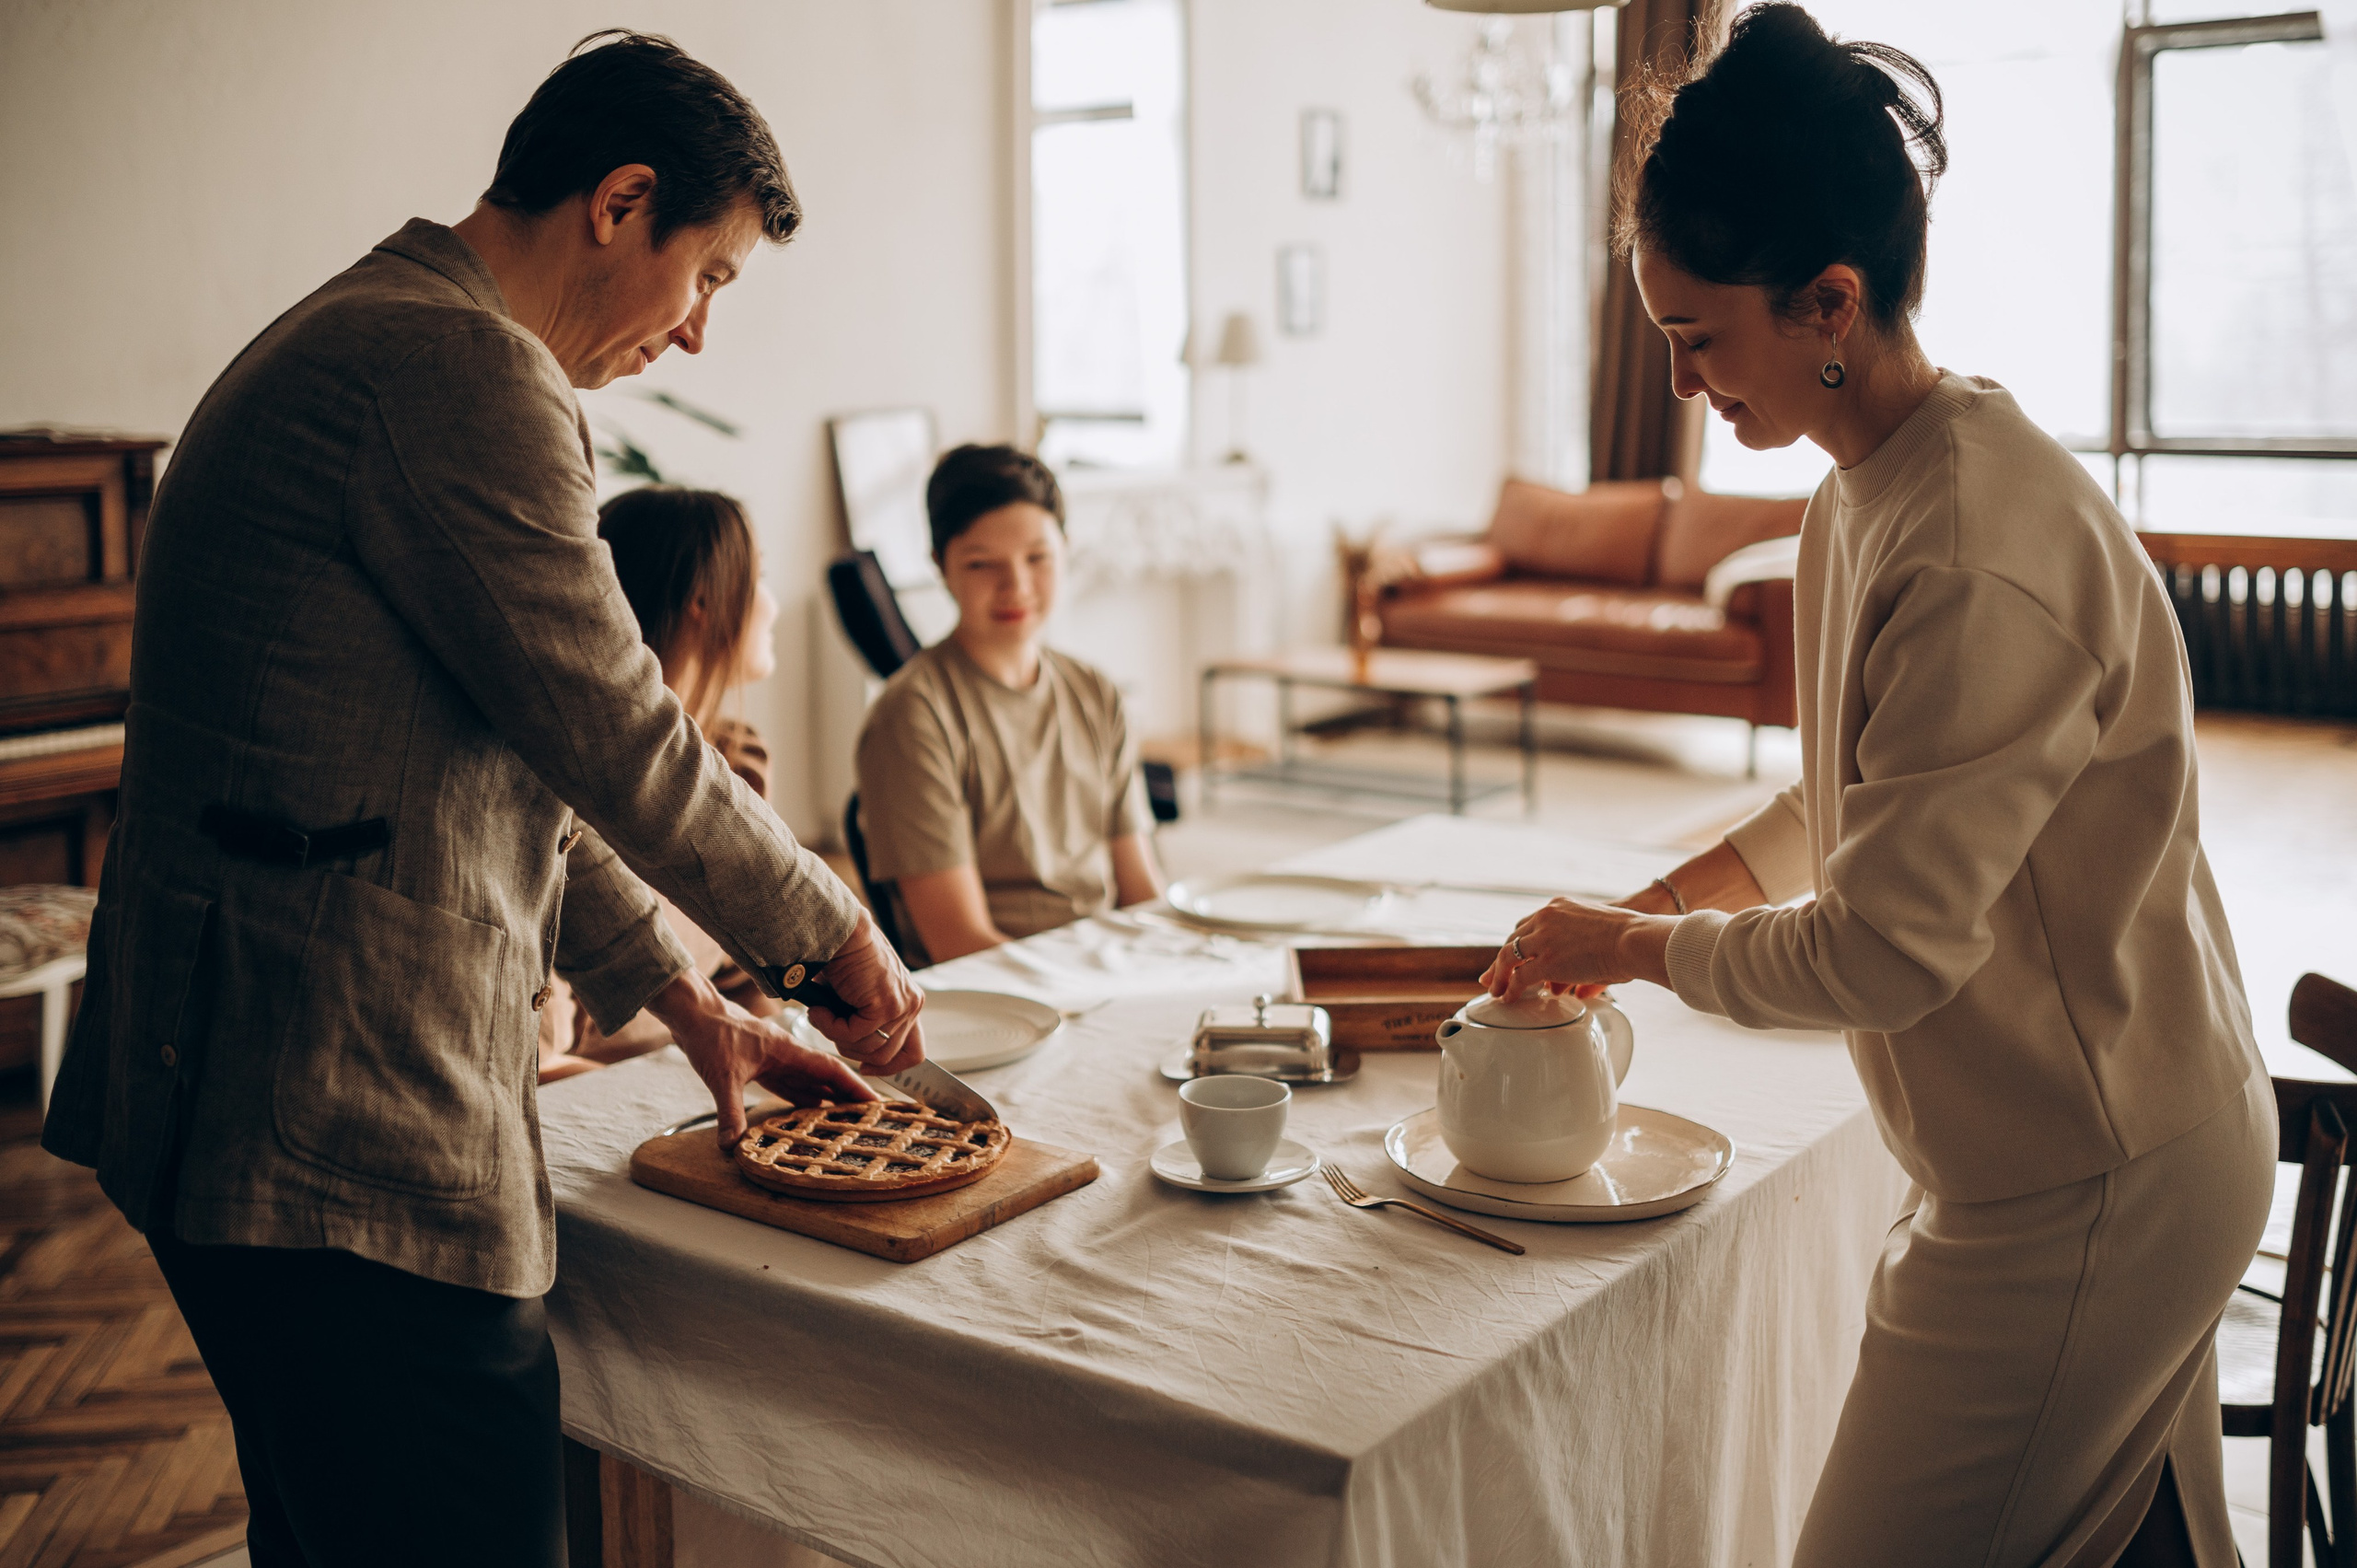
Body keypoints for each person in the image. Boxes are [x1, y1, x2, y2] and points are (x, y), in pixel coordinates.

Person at [41, 32, 925, 1568]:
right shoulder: (458, 365)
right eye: (707, 275)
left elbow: (491, 748)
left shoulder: (368, 330)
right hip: (330, 1112)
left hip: (229, 1075)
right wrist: (830, 934)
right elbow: (617, 729)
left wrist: (687, 999)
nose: (699, 335)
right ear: (619, 201)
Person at [1480, 8, 2270, 1565]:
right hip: (2072, 1141)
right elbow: (1853, 811)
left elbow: (1882, 946)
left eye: (1701, 337)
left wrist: (1630, 951)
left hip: (2097, 1169)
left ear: (1829, 301)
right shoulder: (1867, 487)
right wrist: (1657, 898)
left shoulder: (1977, 543)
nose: (1687, 380)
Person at [853, 444, 1165, 968]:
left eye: (1038, 558)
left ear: (1065, 549)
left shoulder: (1095, 692)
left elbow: (1140, 892)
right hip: (1001, 997)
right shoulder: (913, 716)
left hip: (1105, 969)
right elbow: (958, 940)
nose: (1015, 586)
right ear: (940, 566)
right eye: (981, 564)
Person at [538, 485, 790, 1080]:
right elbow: (539, 1061)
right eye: (760, 578)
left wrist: (772, 1056)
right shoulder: (565, 798)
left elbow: (739, 974)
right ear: (702, 600)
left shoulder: (737, 761)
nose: (774, 605)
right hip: (602, 1105)